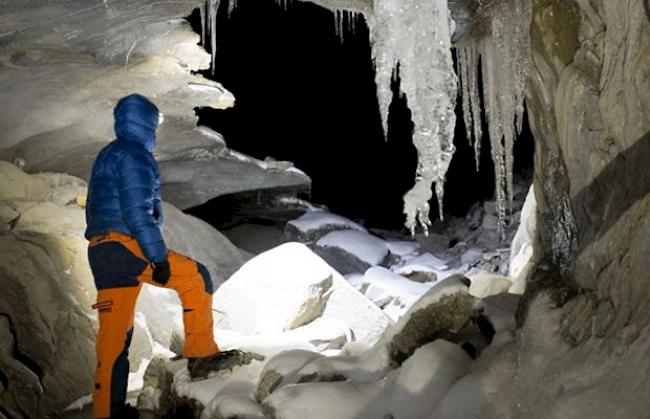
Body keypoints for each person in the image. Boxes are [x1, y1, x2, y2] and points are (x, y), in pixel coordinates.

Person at [85, 94, 242, 418]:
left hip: (101, 252)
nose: (156, 129)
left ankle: (107, 412)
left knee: (113, 340)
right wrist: (156, 258)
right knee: (197, 277)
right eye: (154, 122)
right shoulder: (134, 155)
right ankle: (201, 354)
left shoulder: (108, 154)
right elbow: (137, 211)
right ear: (144, 122)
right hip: (126, 245)